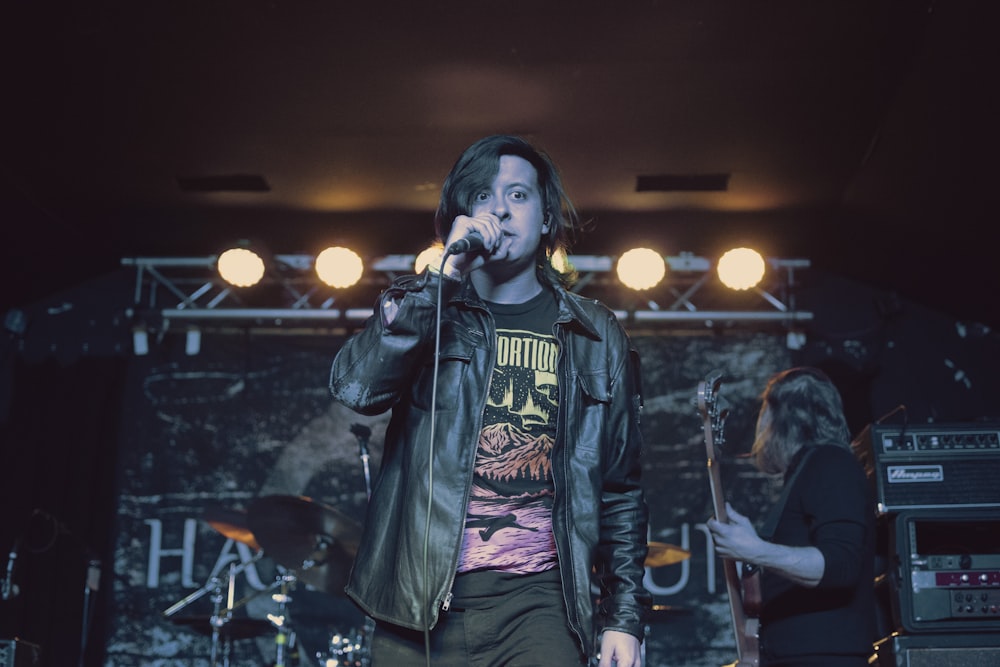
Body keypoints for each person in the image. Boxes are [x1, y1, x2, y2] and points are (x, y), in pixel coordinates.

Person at [329, 134, 651, 666]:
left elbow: (621, 487)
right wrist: (442, 280)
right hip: (416, 605)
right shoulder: (426, 307)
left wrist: (624, 616)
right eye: (482, 195)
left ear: (546, 219)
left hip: (540, 603)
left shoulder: (595, 334)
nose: (499, 208)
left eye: (518, 195)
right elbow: (358, 389)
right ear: (461, 214)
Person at [707, 367, 877, 666]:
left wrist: (756, 550)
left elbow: (841, 565)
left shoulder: (831, 464)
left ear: (777, 417)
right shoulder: (811, 469)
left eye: (763, 414)